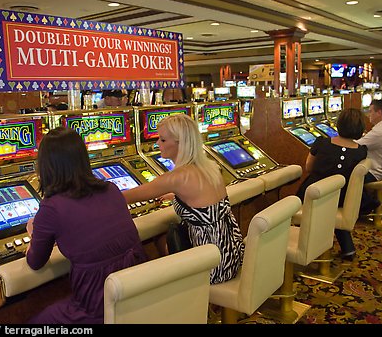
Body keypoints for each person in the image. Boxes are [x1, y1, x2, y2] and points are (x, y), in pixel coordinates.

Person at [25, 127, 146, 324]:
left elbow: (35, 262)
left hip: (99, 303)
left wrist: (33, 234)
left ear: (46, 166)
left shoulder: (51, 207)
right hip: (137, 290)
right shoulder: (111, 188)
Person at [122, 114, 245, 284]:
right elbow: (202, 199)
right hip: (231, 252)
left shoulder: (178, 177)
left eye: (163, 140)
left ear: (181, 143)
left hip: (212, 267)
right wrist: (175, 196)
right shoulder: (210, 167)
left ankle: (177, 304)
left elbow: (124, 197)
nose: (157, 144)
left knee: (150, 252)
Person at [295, 108, 368, 261]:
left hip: (313, 195)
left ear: (339, 123)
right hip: (342, 197)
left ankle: (300, 243)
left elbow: (308, 167)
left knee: (304, 201)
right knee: (332, 201)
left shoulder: (322, 142)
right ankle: (347, 248)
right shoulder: (361, 151)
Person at [355, 99, 382, 215]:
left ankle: (366, 203)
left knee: (348, 174)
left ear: (379, 113)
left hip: (375, 172)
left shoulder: (380, 131)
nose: (368, 114)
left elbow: (355, 145)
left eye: (371, 111)